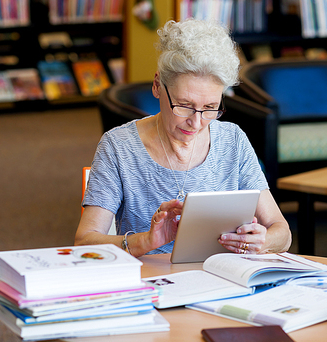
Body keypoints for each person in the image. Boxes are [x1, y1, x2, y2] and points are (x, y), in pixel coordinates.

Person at [75, 19, 292, 257]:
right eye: (184, 105)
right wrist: (146, 241)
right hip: (152, 283)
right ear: (158, 86)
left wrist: (263, 240)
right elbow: (84, 242)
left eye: (210, 107)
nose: (196, 123)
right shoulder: (118, 147)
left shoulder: (233, 141)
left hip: (222, 279)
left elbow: (282, 232)